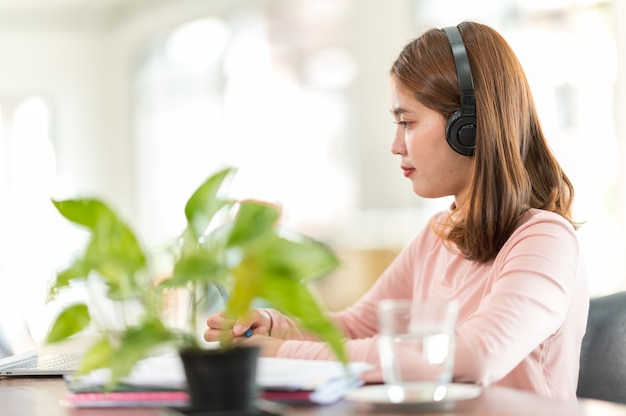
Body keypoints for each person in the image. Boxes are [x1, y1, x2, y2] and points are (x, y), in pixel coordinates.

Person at [203, 21, 589, 401]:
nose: (395, 145)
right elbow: (357, 327)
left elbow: (474, 355)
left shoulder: (544, 238)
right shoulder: (440, 233)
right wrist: (278, 328)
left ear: (468, 127)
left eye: (407, 122)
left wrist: (286, 355)